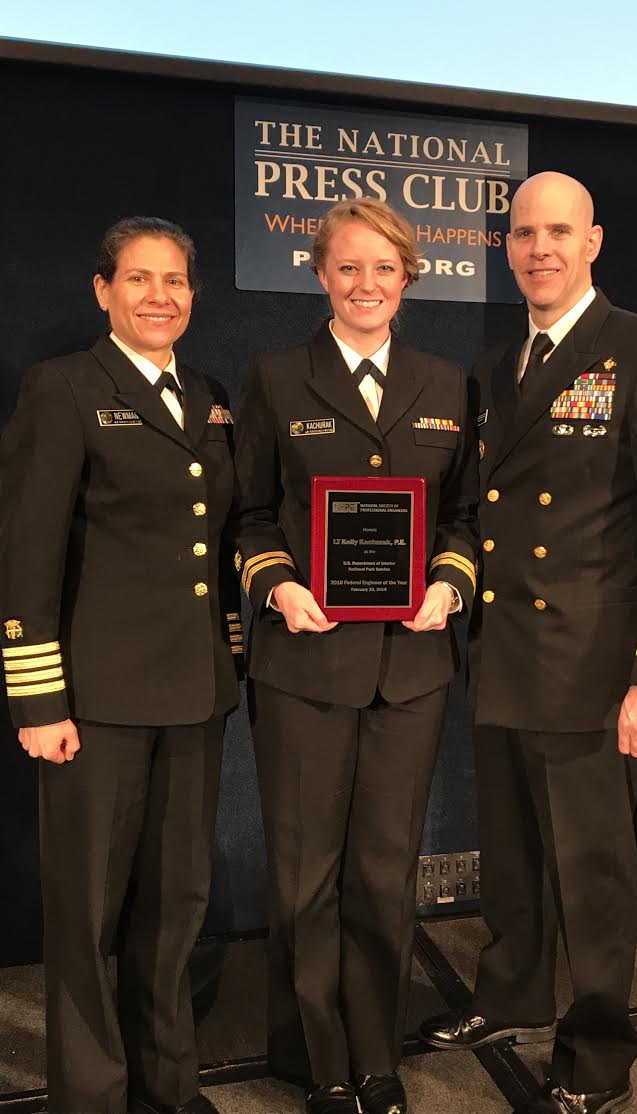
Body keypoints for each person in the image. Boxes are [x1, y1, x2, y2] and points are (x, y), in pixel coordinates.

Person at [420, 172, 637, 1114]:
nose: (538, 248)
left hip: (593, 669)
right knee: (510, 849)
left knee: (591, 873)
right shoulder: (497, 366)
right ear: (504, 247)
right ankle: (510, 993)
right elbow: (478, 508)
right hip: (507, 652)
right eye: (521, 233)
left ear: (594, 242)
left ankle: (597, 1052)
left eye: (558, 231)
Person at [235, 197, 479, 1114]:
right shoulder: (275, 377)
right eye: (346, 267)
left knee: (384, 872)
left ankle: (376, 1055)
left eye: (383, 268)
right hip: (304, 663)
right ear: (319, 275)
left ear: (409, 276)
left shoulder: (448, 385)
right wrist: (279, 584)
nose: (365, 284)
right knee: (306, 876)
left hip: (410, 669)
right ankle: (318, 1058)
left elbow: (466, 516)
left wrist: (449, 583)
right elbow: (249, 515)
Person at [0, 217, 241, 1114]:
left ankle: (166, 1086)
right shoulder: (62, 388)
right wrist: (37, 700)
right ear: (102, 291)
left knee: (175, 904)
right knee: (87, 911)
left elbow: (212, 551)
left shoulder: (210, 395)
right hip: (91, 704)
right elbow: (26, 554)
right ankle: (93, 1095)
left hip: (194, 694)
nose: (158, 297)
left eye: (175, 282)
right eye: (139, 280)